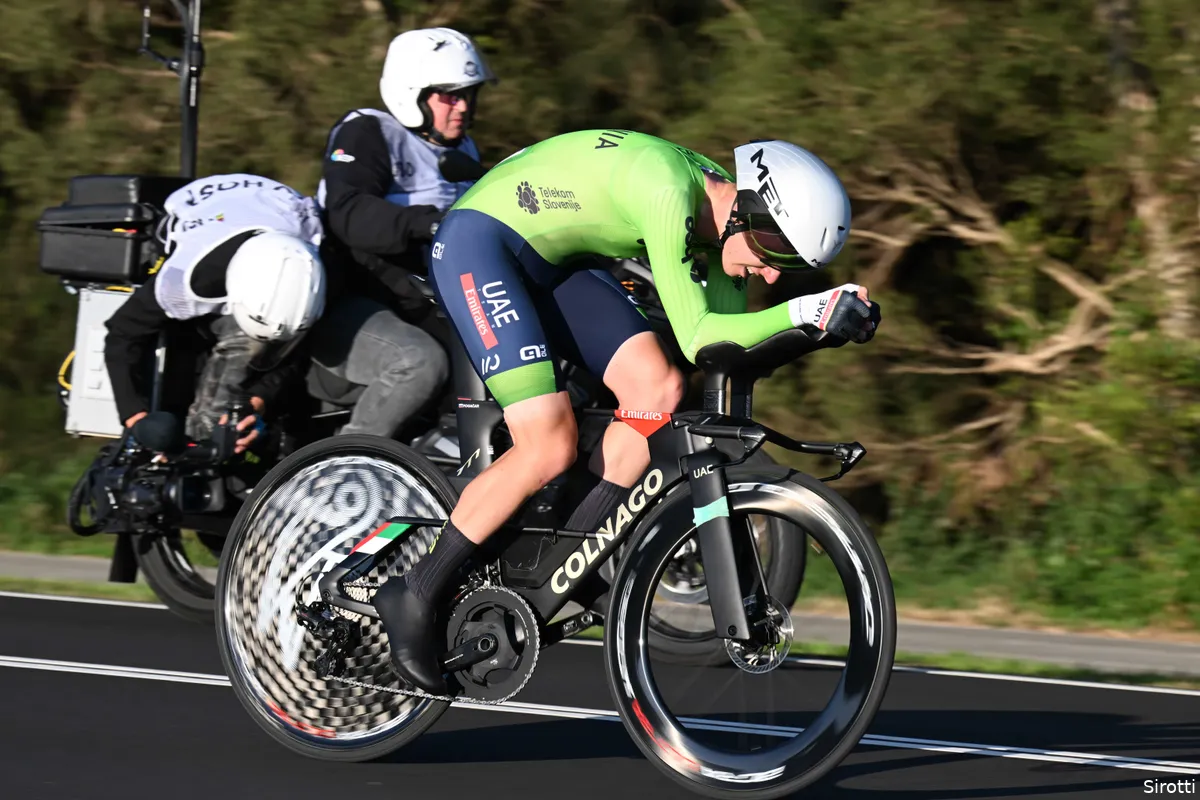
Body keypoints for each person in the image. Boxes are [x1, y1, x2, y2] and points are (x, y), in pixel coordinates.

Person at [372, 130, 882, 693]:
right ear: (751, 213)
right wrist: (806, 309)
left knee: (658, 390)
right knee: (548, 442)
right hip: (481, 244)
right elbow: (698, 334)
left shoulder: (726, 232)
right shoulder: (668, 191)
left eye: (793, 268)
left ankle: (565, 558)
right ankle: (415, 591)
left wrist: (818, 330)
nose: (774, 276)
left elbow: (724, 355)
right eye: (779, 253)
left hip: (550, 263)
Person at [308, 26, 498, 436]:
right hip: (359, 297)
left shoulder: (464, 151)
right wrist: (431, 222)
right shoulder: (370, 131)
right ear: (411, 91)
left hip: (430, 298)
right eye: (450, 94)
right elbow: (349, 213)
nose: (463, 106)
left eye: (469, 93)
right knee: (423, 362)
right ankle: (344, 470)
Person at [104, 173, 326, 454]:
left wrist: (257, 402)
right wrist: (136, 418)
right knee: (232, 347)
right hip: (202, 217)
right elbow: (121, 333)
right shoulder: (183, 283)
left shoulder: (315, 266)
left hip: (274, 212)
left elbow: (301, 352)